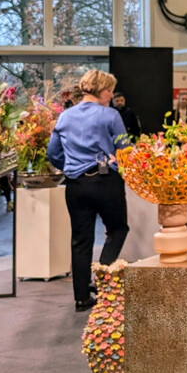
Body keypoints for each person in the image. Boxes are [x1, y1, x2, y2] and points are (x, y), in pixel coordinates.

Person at [47, 70, 130, 312]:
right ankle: (102, 276)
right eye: (110, 90)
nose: (112, 95)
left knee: (80, 240)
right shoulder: (110, 115)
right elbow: (124, 147)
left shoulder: (65, 117)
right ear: (102, 90)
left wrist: (70, 168)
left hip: (75, 184)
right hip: (105, 181)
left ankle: (82, 297)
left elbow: (52, 153)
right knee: (118, 229)